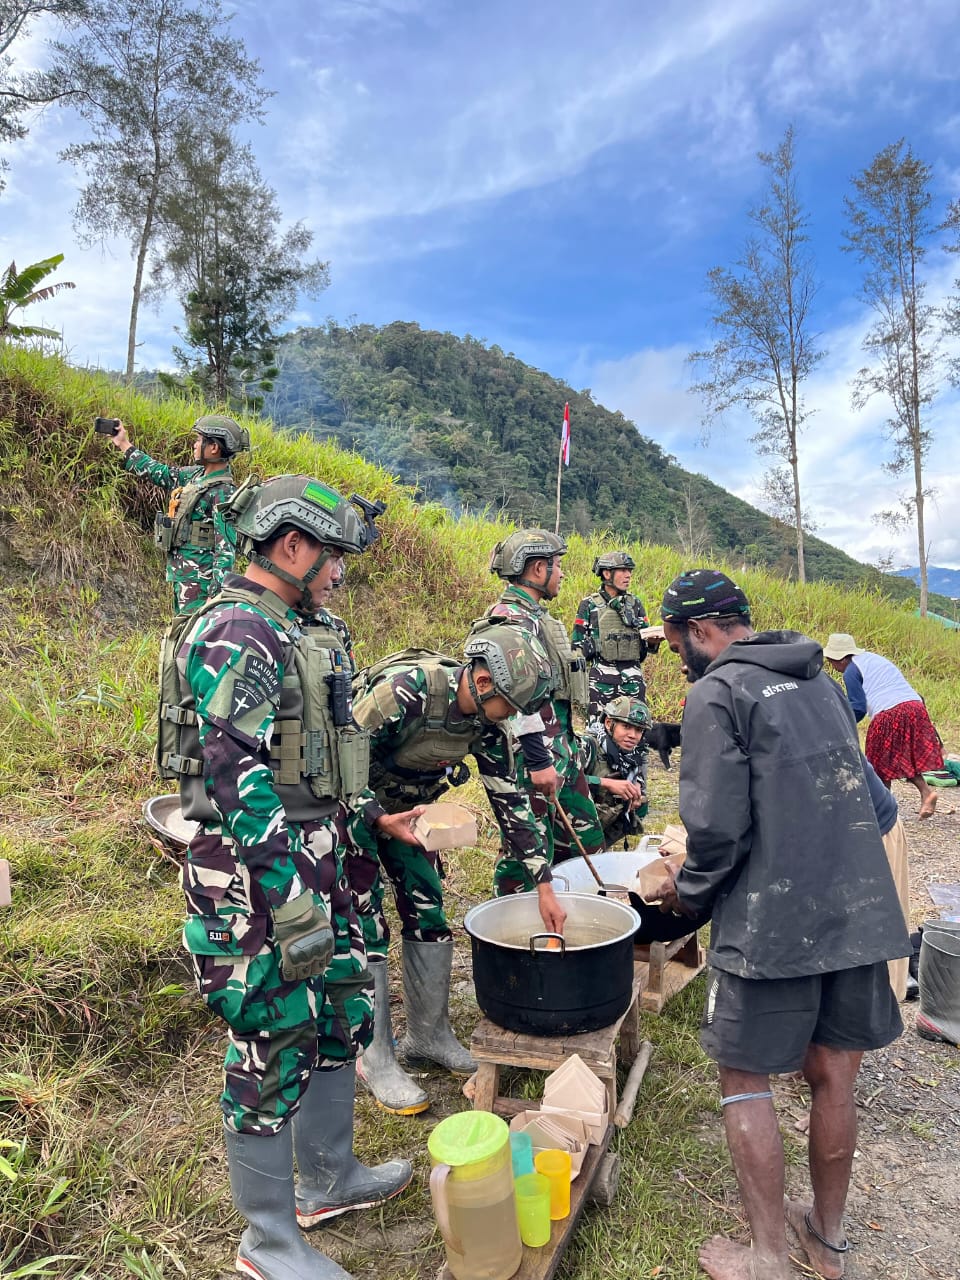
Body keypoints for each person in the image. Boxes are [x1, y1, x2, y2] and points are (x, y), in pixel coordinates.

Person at [170, 474, 425, 1280]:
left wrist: (366, 824)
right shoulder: (237, 630)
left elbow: (319, 754)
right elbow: (229, 774)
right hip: (257, 877)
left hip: (319, 857)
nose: (342, 572)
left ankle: (327, 1178)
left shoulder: (292, 627)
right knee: (272, 1038)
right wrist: (287, 897)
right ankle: (268, 1241)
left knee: (338, 1014)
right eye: (335, 557)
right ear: (292, 546)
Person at [654, 569, 909, 1280]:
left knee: (745, 1076)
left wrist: (688, 897)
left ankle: (767, 1255)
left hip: (771, 920)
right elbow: (875, 802)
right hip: (857, 906)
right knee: (834, 1075)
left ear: (701, 632)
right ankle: (826, 1240)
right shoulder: (821, 683)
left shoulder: (717, 692)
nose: (679, 654)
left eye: (677, 640)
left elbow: (716, 829)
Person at [349, 627, 565, 1113]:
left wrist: (543, 883)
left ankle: (427, 1037)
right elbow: (340, 764)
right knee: (367, 927)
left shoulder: (489, 726)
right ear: (484, 681)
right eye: (508, 705)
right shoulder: (406, 691)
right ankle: (374, 1055)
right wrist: (377, 819)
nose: (510, 717)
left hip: (412, 818)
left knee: (428, 912)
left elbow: (511, 803)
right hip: (353, 812)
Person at [485, 529, 604, 890]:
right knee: (528, 856)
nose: (562, 574)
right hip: (533, 759)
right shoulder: (510, 620)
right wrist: (538, 761)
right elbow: (513, 698)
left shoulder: (538, 618)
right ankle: (508, 934)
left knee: (586, 841)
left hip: (561, 751)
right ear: (538, 569)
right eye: (558, 566)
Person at [109, 414, 249, 615]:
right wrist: (124, 444)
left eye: (199, 440)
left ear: (214, 448)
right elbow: (158, 472)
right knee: (180, 632)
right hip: (183, 575)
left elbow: (225, 549)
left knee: (194, 637)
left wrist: (215, 593)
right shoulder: (194, 475)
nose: (194, 445)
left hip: (201, 583)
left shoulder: (223, 492)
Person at [823, 632, 944, 819]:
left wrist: (841, 725)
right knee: (898, 759)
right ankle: (926, 793)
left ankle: (883, 809)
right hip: (915, 707)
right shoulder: (874, 659)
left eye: (830, 661)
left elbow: (858, 707)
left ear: (837, 659)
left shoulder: (850, 672)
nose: (831, 665)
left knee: (878, 763)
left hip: (891, 713)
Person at [572, 550, 660, 718]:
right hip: (600, 682)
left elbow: (644, 649)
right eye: (623, 571)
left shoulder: (635, 605)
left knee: (634, 732)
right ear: (606, 574)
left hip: (632, 680)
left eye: (630, 571)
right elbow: (576, 649)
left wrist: (653, 642)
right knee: (597, 732)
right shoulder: (589, 605)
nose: (628, 576)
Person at [578, 695, 650, 845]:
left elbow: (637, 781)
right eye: (626, 727)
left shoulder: (633, 755)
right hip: (572, 818)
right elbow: (561, 779)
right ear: (609, 723)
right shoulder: (587, 745)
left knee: (642, 804)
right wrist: (604, 783)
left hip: (599, 818)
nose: (632, 735)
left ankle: (600, 848)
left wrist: (636, 790)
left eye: (639, 730)